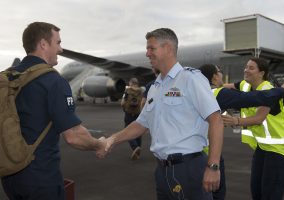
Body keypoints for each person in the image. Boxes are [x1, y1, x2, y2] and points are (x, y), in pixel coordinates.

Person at [99, 28, 223, 200]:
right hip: (162, 171)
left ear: (168, 49)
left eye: (152, 48)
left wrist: (213, 166)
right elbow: (141, 124)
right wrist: (113, 139)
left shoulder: (191, 79)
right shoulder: (156, 86)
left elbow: (216, 120)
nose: (147, 53)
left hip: (187, 169)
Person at [1, 22, 105, 200]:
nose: (61, 49)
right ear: (43, 44)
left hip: (10, 174)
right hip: (40, 178)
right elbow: (73, 136)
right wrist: (99, 144)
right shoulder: (52, 81)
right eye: (57, 43)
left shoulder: (9, 77)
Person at [199, 64, 284, 200]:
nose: (245, 69)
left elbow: (258, 117)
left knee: (268, 193)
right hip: (212, 154)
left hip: (278, 148)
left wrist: (236, 121)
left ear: (261, 73)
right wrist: (281, 90)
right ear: (215, 77)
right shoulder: (222, 92)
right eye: (245, 66)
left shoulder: (267, 89)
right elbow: (249, 97)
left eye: (251, 68)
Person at [121, 77, 143, 160]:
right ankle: (138, 148)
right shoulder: (141, 91)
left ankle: (135, 147)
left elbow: (122, 102)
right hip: (138, 114)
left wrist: (124, 109)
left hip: (129, 113)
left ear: (131, 83)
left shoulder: (127, 91)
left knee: (127, 131)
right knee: (138, 131)